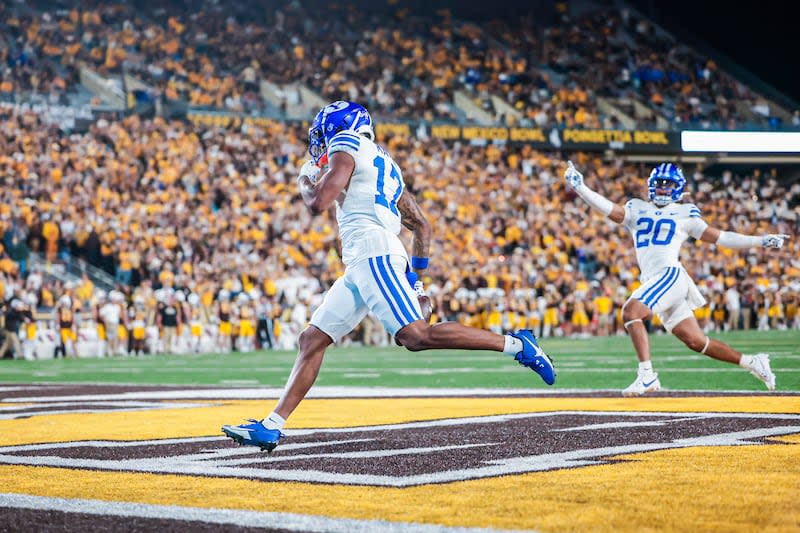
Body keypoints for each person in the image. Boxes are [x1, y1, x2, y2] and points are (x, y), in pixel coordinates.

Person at [222, 101, 555, 451]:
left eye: (323, 133)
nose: (320, 142)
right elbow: (421, 226)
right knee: (312, 339)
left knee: (415, 336)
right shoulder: (384, 162)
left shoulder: (345, 144)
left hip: (373, 251)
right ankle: (272, 426)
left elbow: (318, 202)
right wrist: (418, 283)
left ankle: (518, 345)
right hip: (364, 260)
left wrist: (305, 179)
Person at [564, 160, 788, 395]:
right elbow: (609, 208)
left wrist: (760, 240)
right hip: (655, 281)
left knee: (631, 311)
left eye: (667, 184)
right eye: (658, 184)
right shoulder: (636, 208)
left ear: (678, 187)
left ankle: (647, 375)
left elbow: (722, 237)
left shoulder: (685, 213)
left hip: (669, 275)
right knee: (696, 341)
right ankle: (752, 362)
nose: (662, 188)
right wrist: (581, 187)